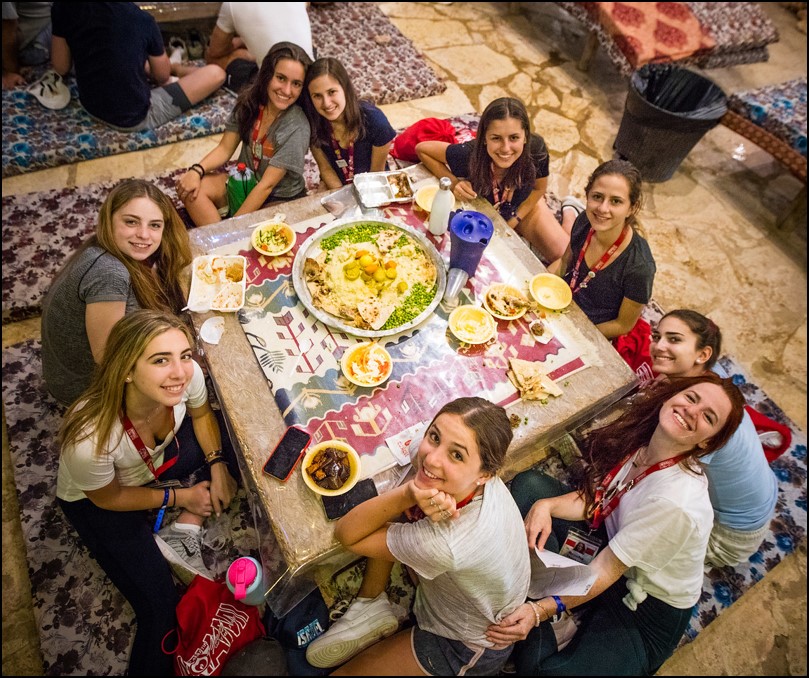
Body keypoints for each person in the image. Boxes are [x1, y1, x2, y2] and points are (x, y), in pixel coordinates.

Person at [486, 373, 745, 676]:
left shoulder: (675, 502)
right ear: (674, 395)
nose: (691, 411)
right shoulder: (649, 439)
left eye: (708, 417)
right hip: (609, 547)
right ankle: (554, 600)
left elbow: (607, 570)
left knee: (539, 671)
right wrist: (547, 506)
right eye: (691, 397)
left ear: (707, 441)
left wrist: (537, 611)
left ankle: (545, 606)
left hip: (642, 608)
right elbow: (600, 498)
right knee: (531, 490)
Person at [56, 310, 240, 676]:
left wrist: (218, 463)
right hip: (99, 498)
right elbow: (109, 498)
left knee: (241, 439)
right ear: (126, 369)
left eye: (184, 355)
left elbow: (202, 416)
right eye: (160, 360)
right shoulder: (89, 440)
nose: (180, 373)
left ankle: (185, 525)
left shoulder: (187, 377)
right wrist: (181, 497)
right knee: (160, 609)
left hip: (154, 461)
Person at [304, 397, 530, 675]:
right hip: (453, 588)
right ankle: (370, 602)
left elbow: (348, 535)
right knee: (394, 504)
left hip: (464, 642)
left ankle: (377, 609)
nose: (432, 459)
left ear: (485, 475)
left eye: (457, 455)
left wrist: (408, 494)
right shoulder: (464, 473)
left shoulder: (446, 542)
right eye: (434, 437)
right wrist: (413, 492)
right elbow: (419, 450)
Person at [41, 178, 191, 407]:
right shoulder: (110, 273)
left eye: (154, 225)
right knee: (194, 371)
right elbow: (108, 357)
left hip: (66, 372)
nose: (144, 234)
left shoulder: (102, 247)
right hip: (85, 389)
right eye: (131, 222)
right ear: (108, 219)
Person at [648, 309, 779, 568]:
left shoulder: (700, 426)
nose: (659, 346)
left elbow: (647, 463)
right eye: (656, 336)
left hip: (730, 536)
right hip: (760, 497)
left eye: (674, 339)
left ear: (703, 354)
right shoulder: (707, 372)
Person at [415, 96, 577, 264]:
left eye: (514, 138)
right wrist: (454, 183)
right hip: (485, 208)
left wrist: (515, 221)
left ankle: (570, 211)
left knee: (567, 258)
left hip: (523, 207)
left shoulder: (536, 151)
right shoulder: (470, 155)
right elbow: (422, 150)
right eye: (496, 138)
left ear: (525, 137)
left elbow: (538, 189)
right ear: (484, 138)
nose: (506, 149)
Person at [177, 41, 312, 227]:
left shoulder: (297, 126)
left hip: (279, 198)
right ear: (267, 75)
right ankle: (225, 237)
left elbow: (266, 186)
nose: (287, 90)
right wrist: (196, 170)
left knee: (260, 234)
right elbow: (225, 148)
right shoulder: (249, 103)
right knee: (191, 191)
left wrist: (235, 226)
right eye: (281, 78)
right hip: (244, 181)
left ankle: (227, 238)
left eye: (296, 84)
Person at [50, 2, 225, 130]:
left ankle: (174, 66)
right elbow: (162, 77)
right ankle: (177, 67)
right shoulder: (141, 19)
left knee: (131, 61)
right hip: (134, 118)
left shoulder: (63, 7)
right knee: (216, 73)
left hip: (90, 105)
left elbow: (61, 66)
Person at [551, 158, 656, 340]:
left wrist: (574, 333)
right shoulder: (585, 221)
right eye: (597, 197)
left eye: (615, 201)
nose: (602, 208)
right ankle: (569, 211)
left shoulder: (640, 267)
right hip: (562, 301)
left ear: (631, 208)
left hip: (592, 330)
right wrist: (537, 288)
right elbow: (564, 262)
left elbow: (623, 325)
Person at [301, 56, 396, 189]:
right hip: (335, 184)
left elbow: (376, 174)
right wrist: (342, 197)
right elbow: (326, 169)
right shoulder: (312, 122)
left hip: (372, 184)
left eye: (332, 92)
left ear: (345, 88)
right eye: (317, 96)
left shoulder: (376, 122)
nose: (326, 103)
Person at [205, 2, 314, 94]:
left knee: (213, 59)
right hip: (310, 70)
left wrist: (234, 46)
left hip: (278, 89)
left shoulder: (232, 5)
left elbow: (215, 52)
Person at [2, 1, 52, 89]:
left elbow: (8, 26)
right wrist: (10, 72)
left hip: (38, 33)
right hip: (34, 41)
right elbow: (7, 27)